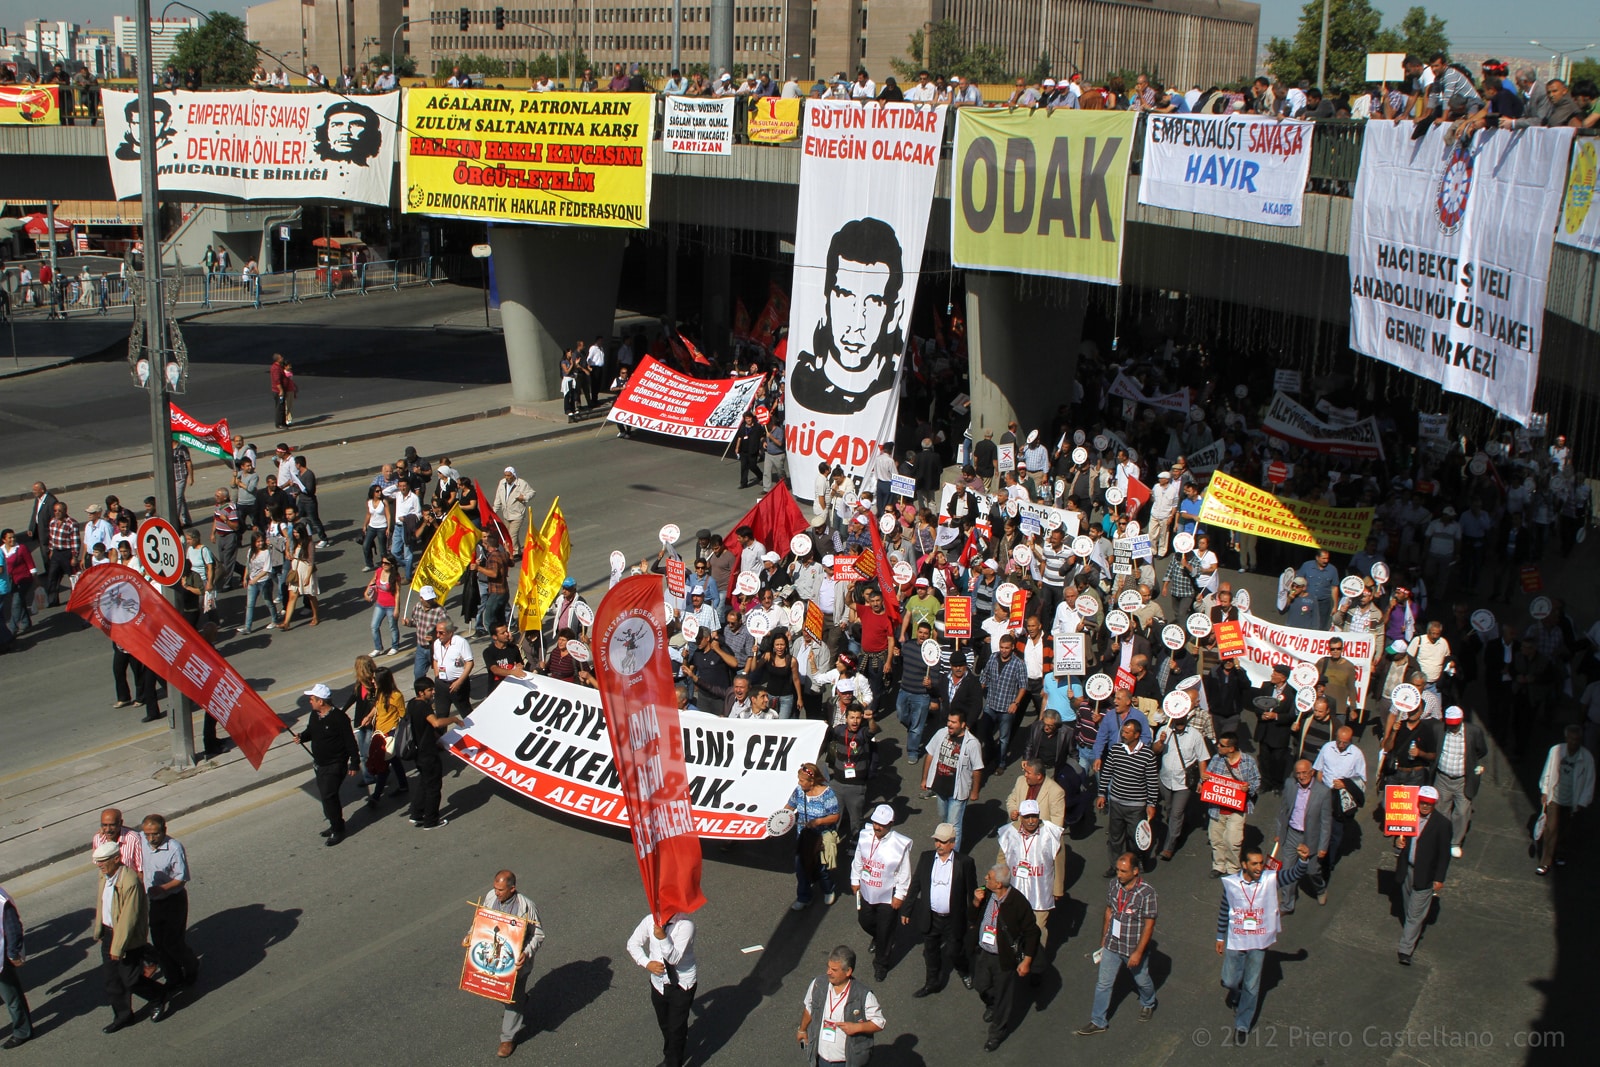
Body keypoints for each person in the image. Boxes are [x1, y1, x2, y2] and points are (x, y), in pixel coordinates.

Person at [790, 218, 906, 415]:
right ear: (826, 301)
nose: (857, 323)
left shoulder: (894, 396)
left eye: (874, 301)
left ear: (894, 314)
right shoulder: (801, 386)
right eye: (845, 296)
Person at [1215, 843, 1312, 1040]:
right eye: (1254, 864)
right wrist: (1219, 936)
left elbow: (1293, 875)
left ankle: (1242, 1024)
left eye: (1261, 863)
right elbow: (1225, 909)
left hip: (1259, 941)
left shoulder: (1269, 879)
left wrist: (1303, 860)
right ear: (1244, 864)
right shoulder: (1232, 884)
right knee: (1229, 980)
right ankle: (1235, 994)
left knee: (1251, 985)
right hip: (1237, 939)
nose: (1259, 867)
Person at [90, 839, 171, 1032]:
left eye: (103, 861)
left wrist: (117, 948)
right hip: (110, 934)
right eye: (98, 861)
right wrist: (101, 931)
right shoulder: (105, 876)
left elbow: (128, 918)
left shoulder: (130, 881)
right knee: (112, 981)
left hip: (127, 940)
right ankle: (123, 1016)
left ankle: (158, 995)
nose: (99, 865)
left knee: (131, 979)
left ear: (117, 859)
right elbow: (103, 905)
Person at [1076, 851, 1158, 1034]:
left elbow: (1149, 926)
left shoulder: (1147, 893)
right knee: (1103, 983)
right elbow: (1108, 911)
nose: (1119, 874)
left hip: (1132, 947)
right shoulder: (1114, 885)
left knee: (1142, 980)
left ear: (1135, 871)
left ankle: (1148, 1001)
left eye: (1123, 871)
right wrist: (1104, 938)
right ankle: (1098, 1021)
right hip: (1113, 944)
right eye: (1117, 870)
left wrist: (1138, 952)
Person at [467, 870, 545, 1058]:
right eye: (495, 888)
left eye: (501, 890)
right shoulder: (490, 897)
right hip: (492, 959)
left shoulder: (526, 907)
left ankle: (507, 1039)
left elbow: (538, 935)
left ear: (512, 888)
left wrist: (526, 953)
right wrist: (470, 935)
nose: (497, 893)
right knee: (495, 990)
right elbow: (481, 920)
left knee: (511, 1000)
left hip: (515, 964)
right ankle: (519, 1000)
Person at [900, 822, 977, 997]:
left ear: (952, 843)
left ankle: (964, 970)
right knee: (930, 952)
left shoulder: (965, 863)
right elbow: (916, 884)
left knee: (954, 951)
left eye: (942, 842)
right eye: (936, 841)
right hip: (931, 917)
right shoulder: (926, 858)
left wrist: (973, 918)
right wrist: (907, 909)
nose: (938, 845)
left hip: (953, 919)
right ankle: (932, 983)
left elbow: (972, 893)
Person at [970, 862, 1039, 1052]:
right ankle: (991, 1004)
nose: (986, 878)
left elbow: (1033, 932)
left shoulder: (1018, 903)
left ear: (999, 884)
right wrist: (976, 903)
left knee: (1003, 996)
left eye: (989, 877)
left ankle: (997, 1032)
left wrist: (1027, 960)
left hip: (1004, 957)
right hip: (984, 951)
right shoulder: (986, 895)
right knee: (980, 985)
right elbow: (972, 918)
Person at [849, 804, 913, 981]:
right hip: (867, 889)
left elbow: (904, 872)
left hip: (887, 894)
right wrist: (855, 880)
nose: (877, 827)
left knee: (885, 930)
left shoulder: (899, 845)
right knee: (865, 921)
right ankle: (879, 937)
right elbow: (858, 860)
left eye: (882, 825)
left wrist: (899, 895)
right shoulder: (865, 836)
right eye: (875, 823)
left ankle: (881, 963)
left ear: (890, 824)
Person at [995, 799, 1064, 960]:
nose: (1031, 821)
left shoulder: (1051, 833)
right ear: (1020, 817)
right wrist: (999, 885)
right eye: (1027, 817)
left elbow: (1059, 864)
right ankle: (1016, 958)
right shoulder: (1008, 833)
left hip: (1041, 890)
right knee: (1014, 927)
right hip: (1015, 890)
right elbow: (1001, 860)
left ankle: (1036, 963)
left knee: (1038, 929)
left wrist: (1058, 889)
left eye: (1034, 816)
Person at [626, 910, 696, 1067]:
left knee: (676, 1029)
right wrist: (646, 963)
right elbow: (632, 943)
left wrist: (663, 937)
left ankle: (673, 1062)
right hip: (658, 985)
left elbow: (674, 958)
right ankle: (673, 1052)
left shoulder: (686, 926)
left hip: (681, 986)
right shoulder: (650, 920)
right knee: (665, 1024)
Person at [796, 945, 885, 1065]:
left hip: (845, 1061)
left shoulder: (863, 995)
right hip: (821, 1059)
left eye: (834, 970)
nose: (828, 972)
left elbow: (879, 1022)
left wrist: (856, 1028)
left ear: (848, 971)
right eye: (828, 967)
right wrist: (802, 1030)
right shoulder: (818, 984)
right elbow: (809, 1008)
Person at [1393, 785, 1451, 965]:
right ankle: (1411, 933)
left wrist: (1439, 878)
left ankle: (1405, 950)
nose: (1425, 807)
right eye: (1422, 803)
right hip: (1407, 870)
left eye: (1429, 804)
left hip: (1425, 875)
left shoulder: (1442, 824)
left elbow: (1444, 855)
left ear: (1434, 804)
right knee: (1408, 907)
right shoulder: (1408, 816)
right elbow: (1397, 836)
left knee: (1415, 915)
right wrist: (1397, 841)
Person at [139, 815, 198, 988]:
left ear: (164, 830)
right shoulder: (141, 840)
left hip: (173, 900)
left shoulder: (174, 848)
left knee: (173, 942)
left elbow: (182, 878)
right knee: (159, 943)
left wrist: (163, 888)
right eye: (147, 834)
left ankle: (191, 965)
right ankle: (173, 977)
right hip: (154, 902)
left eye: (155, 834)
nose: (151, 839)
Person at [1096, 717, 1159, 876]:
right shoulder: (1116, 749)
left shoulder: (1147, 755)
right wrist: (1102, 793)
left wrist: (1151, 804)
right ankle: (1115, 865)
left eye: (1127, 732)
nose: (1123, 734)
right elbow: (1107, 773)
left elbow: (1152, 781)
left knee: (1135, 838)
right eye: (1123, 731)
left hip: (1136, 806)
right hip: (1116, 803)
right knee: (1115, 838)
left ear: (1137, 734)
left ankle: (1135, 864)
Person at [1272, 759, 1332, 911]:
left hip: (1310, 838)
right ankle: (1287, 904)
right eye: (1298, 773)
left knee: (1312, 871)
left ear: (1312, 772)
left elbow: (1326, 822)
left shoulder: (1323, 792)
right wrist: (1280, 833)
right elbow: (1283, 811)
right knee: (1287, 870)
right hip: (1292, 834)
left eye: (1304, 772)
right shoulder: (1290, 785)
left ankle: (1320, 889)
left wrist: (1323, 846)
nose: (1301, 776)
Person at [920, 712, 984, 850]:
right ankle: (946, 844)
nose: (949, 724)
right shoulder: (941, 734)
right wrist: (925, 779)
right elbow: (930, 754)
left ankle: (954, 857)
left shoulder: (972, 744)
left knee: (953, 825)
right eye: (949, 721)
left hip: (958, 791)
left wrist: (975, 791)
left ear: (962, 724)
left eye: (953, 722)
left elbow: (977, 769)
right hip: (940, 787)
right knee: (944, 819)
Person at [1536, 723, 1594, 875]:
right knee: (1550, 829)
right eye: (1571, 739)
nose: (1573, 743)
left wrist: (1582, 802)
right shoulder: (1556, 751)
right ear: (1566, 738)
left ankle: (1560, 853)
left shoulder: (1586, 758)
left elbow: (1589, 782)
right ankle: (1545, 862)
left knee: (1565, 830)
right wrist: (1545, 791)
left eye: (1576, 740)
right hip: (1555, 796)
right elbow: (1547, 771)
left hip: (1572, 801)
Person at [408, 677, 463, 829]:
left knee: (424, 783)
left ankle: (417, 814)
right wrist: (453, 719)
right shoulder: (423, 707)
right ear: (421, 692)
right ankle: (431, 821)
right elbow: (436, 723)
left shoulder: (412, 704)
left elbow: (426, 728)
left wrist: (439, 738)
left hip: (418, 752)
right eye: (429, 690)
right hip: (428, 754)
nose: (433, 692)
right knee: (433, 787)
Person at [784, 763, 841, 910]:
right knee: (800, 867)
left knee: (821, 867)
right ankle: (804, 897)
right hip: (804, 837)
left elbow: (835, 816)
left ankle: (828, 889)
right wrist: (780, 818)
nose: (799, 783)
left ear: (812, 781)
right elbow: (790, 806)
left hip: (821, 838)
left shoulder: (827, 794)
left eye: (802, 780)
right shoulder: (799, 791)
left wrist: (819, 821)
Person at [1203, 733, 1259, 876]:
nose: (1218, 746)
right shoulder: (1216, 759)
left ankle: (1233, 868)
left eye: (1222, 745)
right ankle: (1219, 866)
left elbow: (1256, 781)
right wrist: (1203, 780)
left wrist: (1249, 788)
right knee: (1216, 839)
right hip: (1217, 808)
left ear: (1231, 748)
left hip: (1237, 809)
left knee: (1232, 841)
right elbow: (1207, 777)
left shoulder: (1248, 761)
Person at [0, 881, 32, 1048]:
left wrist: (13, 952)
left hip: (0, 959)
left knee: (12, 998)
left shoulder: (1, 899)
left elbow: (12, 927)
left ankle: (22, 1031)